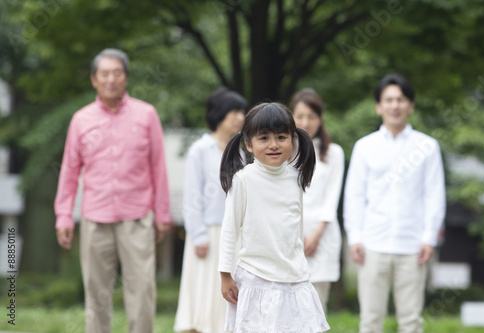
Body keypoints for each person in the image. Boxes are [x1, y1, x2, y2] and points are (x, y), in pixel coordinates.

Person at [54, 48, 172, 333]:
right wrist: (64, 216)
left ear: (126, 78)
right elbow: (69, 171)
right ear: (94, 79)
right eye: (104, 73)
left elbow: (159, 167)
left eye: (117, 73)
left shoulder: (146, 115)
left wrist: (162, 214)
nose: (111, 79)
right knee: (96, 295)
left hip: (138, 217)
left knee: (142, 289)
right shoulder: (80, 120)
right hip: (95, 218)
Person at [343, 74, 446, 333]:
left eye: (401, 99)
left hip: (413, 246)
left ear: (410, 105)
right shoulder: (364, 147)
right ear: (379, 106)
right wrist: (355, 236)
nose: (394, 105)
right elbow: (354, 195)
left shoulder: (427, 146)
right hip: (372, 245)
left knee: (411, 321)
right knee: (370, 321)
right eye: (388, 100)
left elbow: (434, 194)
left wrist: (429, 238)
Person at [218, 102, 330, 333]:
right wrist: (225, 275)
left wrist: (300, 265)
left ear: (293, 139)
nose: (273, 145)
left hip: (294, 279)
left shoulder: (296, 179)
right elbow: (230, 230)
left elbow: (295, 227)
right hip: (255, 278)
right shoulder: (243, 180)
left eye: (281, 137)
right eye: (264, 138)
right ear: (248, 143)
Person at [174, 87, 247, 333]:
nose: (240, 117)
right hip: (207, 233)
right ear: (219, 114)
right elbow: (191, 197)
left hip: (235, 233)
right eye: (234, 112)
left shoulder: (241, 151)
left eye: (242, 112)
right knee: (206, 290)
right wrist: (198, 234)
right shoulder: (200, 150)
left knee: (230, 292)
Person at [291, 88, 345, 313]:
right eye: (300, 115)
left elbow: (332, 197)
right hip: (290, 234)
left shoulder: (333, 153)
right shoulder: (283, 151)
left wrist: (315, 236)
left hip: (322, 236)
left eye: (312, 116)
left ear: (320, 119)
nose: (306, 122)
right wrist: (297, 233)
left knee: (316, 306)